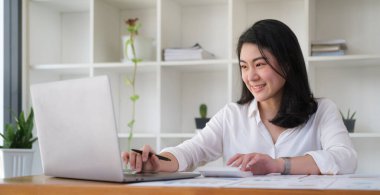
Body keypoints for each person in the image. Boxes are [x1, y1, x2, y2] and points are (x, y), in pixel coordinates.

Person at [122, 19, 357, 175]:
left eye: (260, 64)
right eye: (244, 66)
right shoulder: (232, 116)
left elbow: (345, 159)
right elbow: (191, 152)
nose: (250, 76)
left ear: (287, 63)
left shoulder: (322, 111)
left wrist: (278, 165)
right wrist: (157, 161)